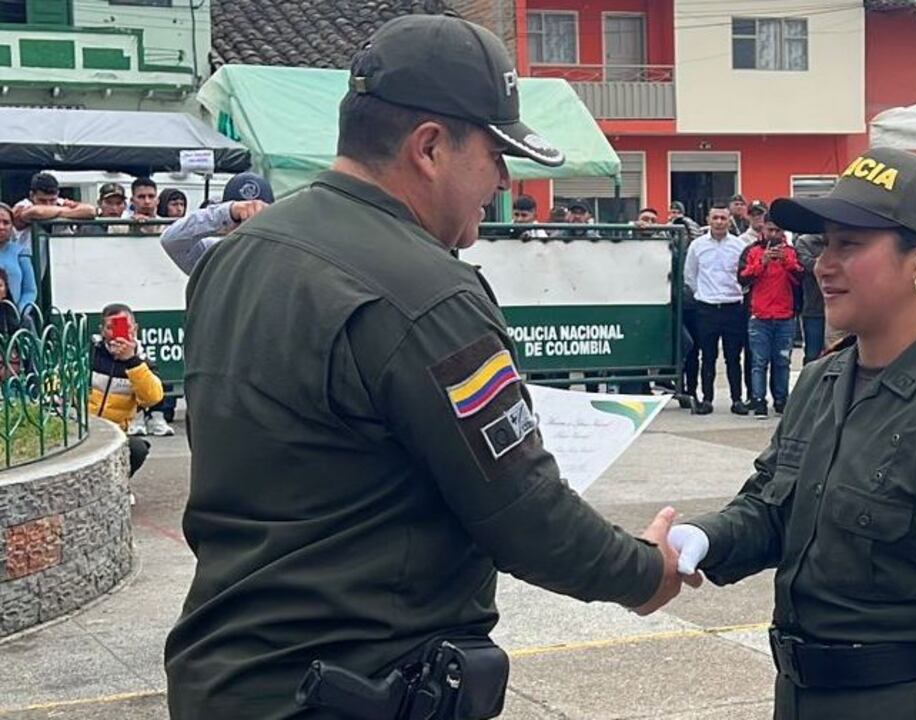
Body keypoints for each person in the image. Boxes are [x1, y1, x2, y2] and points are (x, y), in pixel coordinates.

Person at [164, 15, 688, 719]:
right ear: (431, 148)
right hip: (354, 686)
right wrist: (645, 570)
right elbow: (524, 514)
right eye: (496, 156)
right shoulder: (428, 291)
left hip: (225, 677)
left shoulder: (239, 255)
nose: (503, 180)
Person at [667, 147, 916, 719]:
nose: (823, 264)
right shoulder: (823, 380)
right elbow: (772, 507)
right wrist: (703, 538)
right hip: (801, 697)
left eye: (851, 244)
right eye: (824, 243)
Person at [684, 203, 750, 415]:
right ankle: (707, 399)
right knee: (707, 357)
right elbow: (690, 275)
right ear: (708, 220)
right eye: (716, 218)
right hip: (707, 309)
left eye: (723, 218)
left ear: (729, 220)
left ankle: (737, 399)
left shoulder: (739, 245)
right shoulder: (697, 245)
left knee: (733, 358)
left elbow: (745, 274)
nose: (719, 222)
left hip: (733, 308)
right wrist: (701, 294)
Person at [90, 304, 164, 477]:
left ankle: (121, 484)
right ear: (102, 330)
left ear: (135, 329)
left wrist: (132, 361)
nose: (116, 333)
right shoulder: (89, 353)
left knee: (138, 448)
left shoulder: (142, 362)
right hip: (85, 428)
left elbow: (153, 398)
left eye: (125, 326)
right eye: (110, 327)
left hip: (116, 433)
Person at [739, 214, 801, 417]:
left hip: (785, 316)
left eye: (778, 230)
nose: (773, 234)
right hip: (760, 316)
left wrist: (787, 263)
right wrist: (762, 263)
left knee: (782, 361)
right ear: (762, 229)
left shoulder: (791, 252)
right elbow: (742, 279)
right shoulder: (751, 251)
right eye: (770, 230)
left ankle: (781, 400)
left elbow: (801, 278)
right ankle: (758, 400)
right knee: (759, 362)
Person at [159, 172, 273, 275]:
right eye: (240, 218)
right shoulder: (213, 252)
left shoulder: (281, 255)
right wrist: (228, 212)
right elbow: (171, 239)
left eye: (258, 218)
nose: (247, 225)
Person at [12, 172, 95, 249]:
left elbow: (90, 211)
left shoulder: (61, 203)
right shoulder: (23, 206)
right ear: (32, 195)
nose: (48, 205)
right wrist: (66, 211)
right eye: (42, 201)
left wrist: (56, 212)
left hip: (61, 259)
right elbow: (37, 212)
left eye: (52, 200)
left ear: (58, 194)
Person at [0, 203, 38, 319]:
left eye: (6, 223)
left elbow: (29, 290)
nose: (1, 227)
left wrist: (20, 312)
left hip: (13, 319)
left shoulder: (20, 252)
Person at [793, 233, 826, 362]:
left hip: (841, 307)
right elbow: (809, 265)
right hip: (814, 306)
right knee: (813, 356)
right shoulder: (804, 241)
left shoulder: (840, 237)